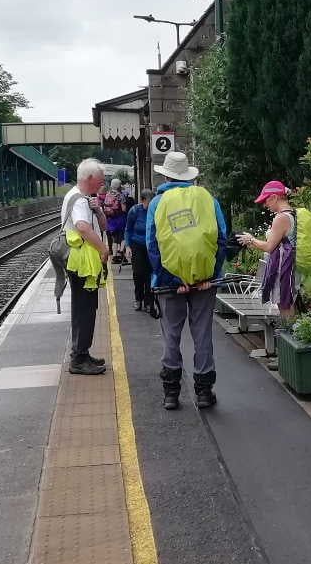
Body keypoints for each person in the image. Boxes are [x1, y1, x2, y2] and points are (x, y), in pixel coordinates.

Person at [146, 151, 228, 410]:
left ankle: (171, 393)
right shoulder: (208, 199)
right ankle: (204, 392)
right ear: (189, 176)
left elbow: (152, 244)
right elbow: (221, 238)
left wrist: (171, 278)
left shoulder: (157, 203)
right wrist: (209, 276)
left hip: (169, 283)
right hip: (205, 281)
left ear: (166, 176)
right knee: (202, 333)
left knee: (171, 335)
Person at [60, 158, 110, 375]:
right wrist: (103, 249)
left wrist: (98, 211)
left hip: (83, 263)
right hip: (82, 263)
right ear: (90, 178)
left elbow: (103, 226)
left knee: (85, 308)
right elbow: (82, 227)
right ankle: (79, 358)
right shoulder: (79, 200)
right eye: (100, 179)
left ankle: (82, 352)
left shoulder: (84, 198)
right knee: (84, 309)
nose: (102, 183)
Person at [238, 181, 298, 321]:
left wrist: (251, 239)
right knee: (288, 302)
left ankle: (288, 330)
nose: (265, 205)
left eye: (266, 200)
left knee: (284, 303)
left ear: (274, 197)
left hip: (284, 267)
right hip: (291, 265)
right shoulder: (293, 213)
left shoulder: (281, 217)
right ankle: (290, 329)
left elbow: (269, 247)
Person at [125, 188, 155, 315]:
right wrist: (127, 246)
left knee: (150, 275)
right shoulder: (134, 211)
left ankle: (149, 302)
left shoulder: (155, 211)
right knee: (138, 273)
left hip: (151, 246)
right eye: (149, 202)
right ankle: (138, 298)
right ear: (142, 200)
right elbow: (128, 229)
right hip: (137, 245)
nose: (151, 205)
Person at [102, 178, 128, 262]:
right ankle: (121, 252)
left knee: (115, 238)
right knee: (123, 236)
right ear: (119, 185)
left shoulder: (108, 194)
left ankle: (114, 256)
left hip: (111, 219)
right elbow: (123, 209)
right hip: (120, 218)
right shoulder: (120, 195)